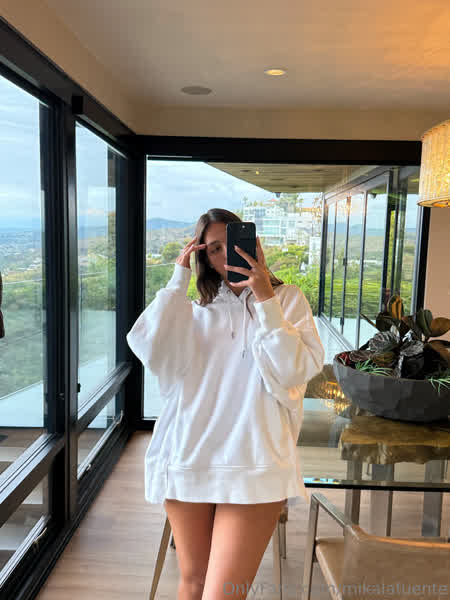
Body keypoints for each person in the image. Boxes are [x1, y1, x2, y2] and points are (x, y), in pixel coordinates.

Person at [126, 208, 324, 600]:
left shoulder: (287, 300)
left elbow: (293, 371)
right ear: (202, 256)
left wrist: (265, 297)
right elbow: (149, 348)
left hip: (256, 460)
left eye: (233, 244)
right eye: (214, 249)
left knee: (222, 593)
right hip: (187, 454)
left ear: (254, 245)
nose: (226, 256)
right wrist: (178, 279)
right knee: (193, 582)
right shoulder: (192, 308)